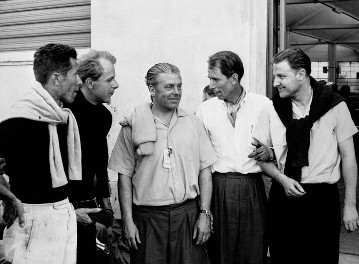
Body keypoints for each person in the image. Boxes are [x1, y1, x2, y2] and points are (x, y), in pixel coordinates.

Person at [252, 48, 359, 264]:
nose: (275, 82)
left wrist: (350, 205)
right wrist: (282, 179)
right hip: (284, 196)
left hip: (323, 200)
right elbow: (260, 158)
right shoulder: (270, 109)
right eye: (275, 76)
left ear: (301, 74)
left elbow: (349, 157)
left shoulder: (336, 105)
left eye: (281, 76)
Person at [108, 63, 217, 264]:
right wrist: (128, 222)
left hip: (187, 216)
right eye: (169, 87)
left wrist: (204, 214)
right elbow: (124, 176)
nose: (176, 92)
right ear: (151, 89)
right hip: (147, 219)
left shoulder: (193, 123)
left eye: (179, 86)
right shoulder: (132, 125)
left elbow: (205, 171)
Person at [0, 43, 90, 264]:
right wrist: (9, 197)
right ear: (57, 78)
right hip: (31, 224)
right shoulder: (17, 120)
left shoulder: (63, 117)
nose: (79, 81)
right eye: (75, 74)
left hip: (63, 217)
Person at [196, 51, 270, 264]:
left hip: (252, 188)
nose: (211, 85)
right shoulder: (205, 110)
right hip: (218, 188)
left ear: (234, 78)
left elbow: (279, 145)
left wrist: (270, 151)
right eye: (209, 78)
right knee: (220, 252)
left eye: (215, 79)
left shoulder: (262, 104)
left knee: (253, 250)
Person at [66, 50, 129, 264]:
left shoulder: (104, 116)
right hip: (65, 207)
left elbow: (100, 160)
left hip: (92, 205)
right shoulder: (65, 112)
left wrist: (105, 200)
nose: (116, 85)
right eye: (110, 79)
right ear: (90, 82)